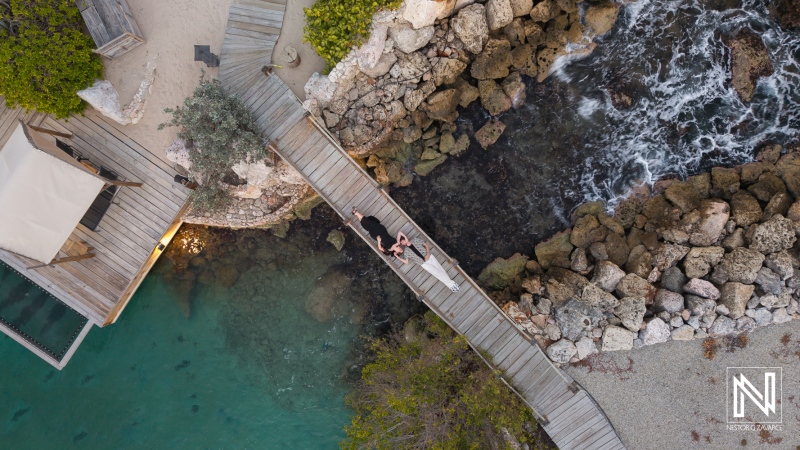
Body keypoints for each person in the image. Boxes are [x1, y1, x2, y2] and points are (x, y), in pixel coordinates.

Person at [395, 231, 460, 292]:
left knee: (441, 270)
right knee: (437, 274)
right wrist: (397, 257)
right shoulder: (406, 251)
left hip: (429, 256)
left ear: (404, 239)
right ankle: (452, 285)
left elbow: (425, 245)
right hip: (424, 264)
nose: (402, 243)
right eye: (401, 243)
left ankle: (451, 285)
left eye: (402, 241)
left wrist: (428, 254)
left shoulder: (415, 240)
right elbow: (406, 262)